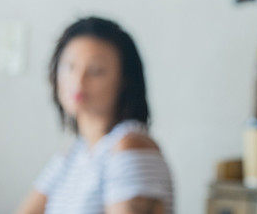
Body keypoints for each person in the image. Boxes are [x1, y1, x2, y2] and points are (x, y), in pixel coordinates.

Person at [16, 17, 173, 214]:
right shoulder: (72, 156)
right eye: (69, 67)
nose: (78, 80)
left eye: (96, 71)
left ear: (124, 80)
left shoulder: (129, 146)